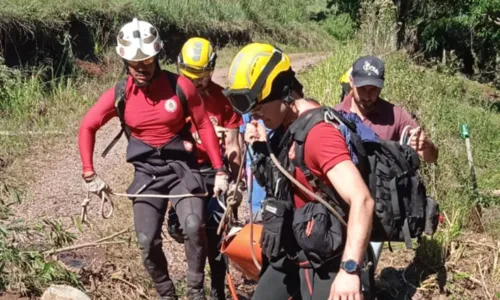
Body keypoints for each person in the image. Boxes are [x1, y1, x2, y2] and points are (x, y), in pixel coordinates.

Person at [78, 19, 229, 300]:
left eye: (146, 60)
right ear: (124, 60)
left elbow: (204, 126)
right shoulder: (120, 93)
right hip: (147, 174)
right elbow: (88, 125)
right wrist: (89, 173)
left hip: (183, 168)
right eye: (134, 62)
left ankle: (196, 292)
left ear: (157, 55)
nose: (141, 67)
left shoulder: (181, 86)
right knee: (147, 241)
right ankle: (166, 294)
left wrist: (219, 170)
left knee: (194, 225)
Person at [224, 42, 375, 300]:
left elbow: (362, 199)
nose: (256, 117)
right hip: (295, 250)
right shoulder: (287, 127)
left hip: (330, 260)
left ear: (284, 92)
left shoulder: (319, 135)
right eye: (252, 112)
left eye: (259, 108)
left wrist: (349, 271)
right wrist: (262, 148)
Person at [335, 56, 439, 269]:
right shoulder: (336, 116)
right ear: (351, 82)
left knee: (366, 268)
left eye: (374, 89)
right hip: (343, 208)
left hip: (380, 210)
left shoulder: (396, 115)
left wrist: (427, 145)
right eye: (363, 88)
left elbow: (431, 157)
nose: (368, 95)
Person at [167, 37, 243, 300]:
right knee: (187, 228)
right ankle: (194, 286)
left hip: (216, 172)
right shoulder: (171, 97)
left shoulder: (223, 101)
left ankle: (217, 290)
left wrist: (235, 180)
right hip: (185, 170)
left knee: (216, 232)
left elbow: (233, 144)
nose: (197, 82)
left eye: (203, 76)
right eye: (190, 75)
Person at [239, 113, 269, 222]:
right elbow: (241, 134)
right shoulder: (248, 108)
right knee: (255, 199)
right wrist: (240, 164)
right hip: (253, 160)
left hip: (273, 156)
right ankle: (256, 224)